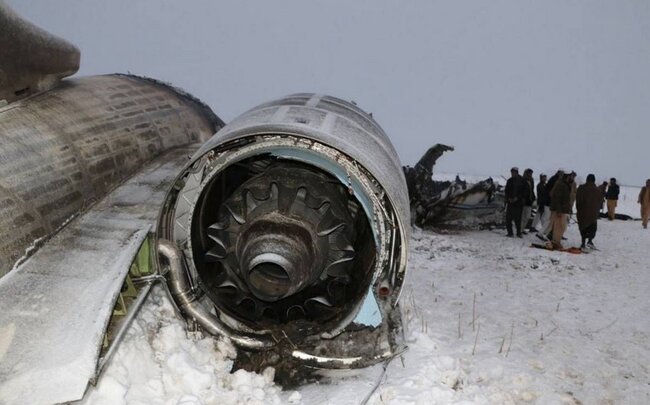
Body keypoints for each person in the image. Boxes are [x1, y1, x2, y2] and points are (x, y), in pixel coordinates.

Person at [576, 174, 602, 249]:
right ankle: (590, 241)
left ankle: (583, 242)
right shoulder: (597, 190)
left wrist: (579, 210)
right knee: (592, 228)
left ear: (587, 179)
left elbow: (578, 200)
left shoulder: (581, 188)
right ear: (594, 180)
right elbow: (599, 202)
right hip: (593, 215)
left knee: (583, 228)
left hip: (582, 213)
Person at [549, 173, 572, 249]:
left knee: (561, 227)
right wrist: (559, 210)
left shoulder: (564, 184)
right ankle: (556, 242)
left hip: (563, 209)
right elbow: (557, 198)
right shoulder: (561, 185)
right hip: (560, 210)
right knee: (559, 227)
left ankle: (556, 242)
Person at [504, 167, 527, 237]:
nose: (512, 174)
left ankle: (518, 233)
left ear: (517, 172)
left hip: (518, 203)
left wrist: (517, 198)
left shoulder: (522, 180)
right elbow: (506, 191)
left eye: (513, 172)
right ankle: (510, 232)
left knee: (518, 219)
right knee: (508, 219)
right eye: (511, 172)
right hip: (510, 202)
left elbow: (525, 192)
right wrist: (508, 198)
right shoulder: (509, 181)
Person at [520, 168, 535, 233]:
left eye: (531, 173)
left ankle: (522, 229)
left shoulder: (531, 180)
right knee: (523, 216)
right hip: (523, 201)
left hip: (529, 201)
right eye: (529, 173)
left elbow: (531, 190)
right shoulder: (522, 180)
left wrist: (533, 197)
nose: (530, 174)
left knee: (528, 217)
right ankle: (520, 229)